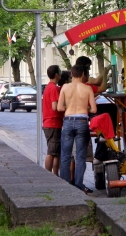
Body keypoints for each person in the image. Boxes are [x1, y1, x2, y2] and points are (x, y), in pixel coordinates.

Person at [57, 65, 97, 194]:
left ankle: (65, 184)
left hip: (68, 121)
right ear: (83, 74)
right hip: (82, 121)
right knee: (80, 156)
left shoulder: (65, 87)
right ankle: (79, 184)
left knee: (65, 155)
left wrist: (68, 106)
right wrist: (86, 108)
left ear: (71, 74)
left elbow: (59, 108)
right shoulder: (87, 88)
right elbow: (94, 109)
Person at [42, 65, 63, 176]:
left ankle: (55, 175)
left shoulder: (48, 87)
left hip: (50, 123)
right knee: (51, 152)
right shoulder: (53, 88)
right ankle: (48, 176)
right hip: (53, 123)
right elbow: (55, 106)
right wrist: (65, 106)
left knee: (55, 152)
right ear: (56, 75)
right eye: (59, 72)